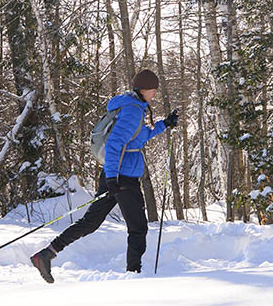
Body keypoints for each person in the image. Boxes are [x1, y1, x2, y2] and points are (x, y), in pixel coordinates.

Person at [30, 69, 178, 283]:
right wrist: (112, 178)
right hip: (122, 178)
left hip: (116, 175)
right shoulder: (132, 111)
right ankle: (133, 277)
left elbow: (138, 137)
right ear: (144, 90)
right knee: (138, 228)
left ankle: (46, 254)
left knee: (90, 223)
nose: (154, 94)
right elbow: (115, 145)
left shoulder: (131, 107)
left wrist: (165, 124)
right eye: (153, 91)